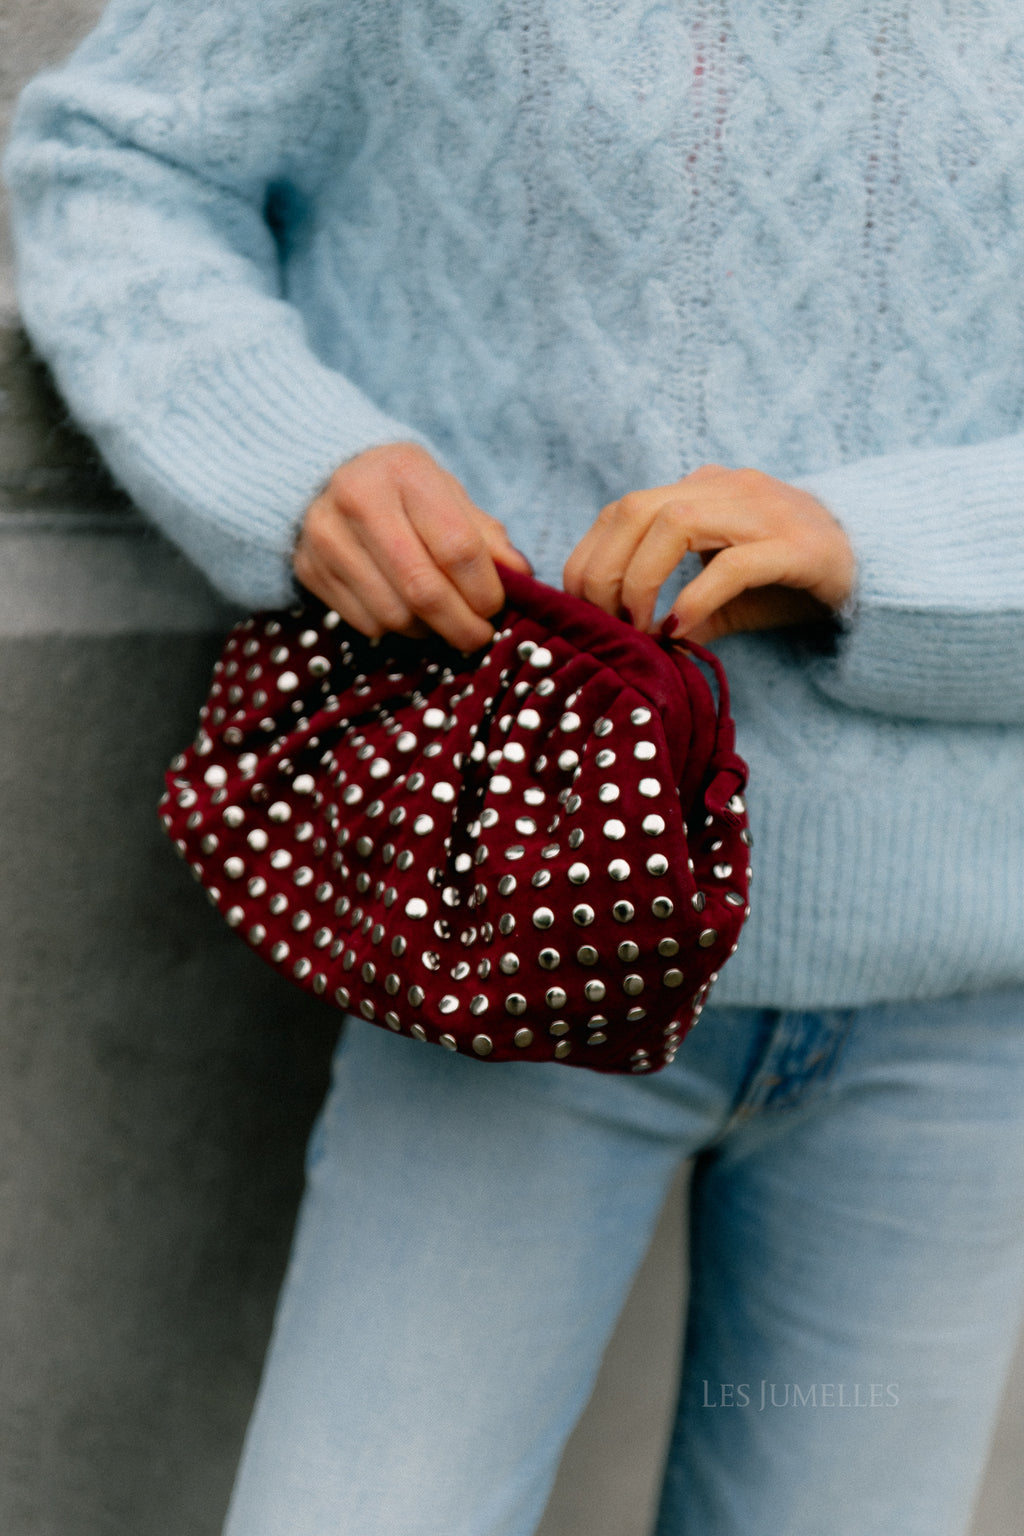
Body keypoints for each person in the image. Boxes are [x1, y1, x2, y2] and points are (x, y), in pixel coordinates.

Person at [5, 4, 1024, 1533]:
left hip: (964, 1007)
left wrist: (889, 549)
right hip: (506, 949)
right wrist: (296, 458)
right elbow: (118, 158)